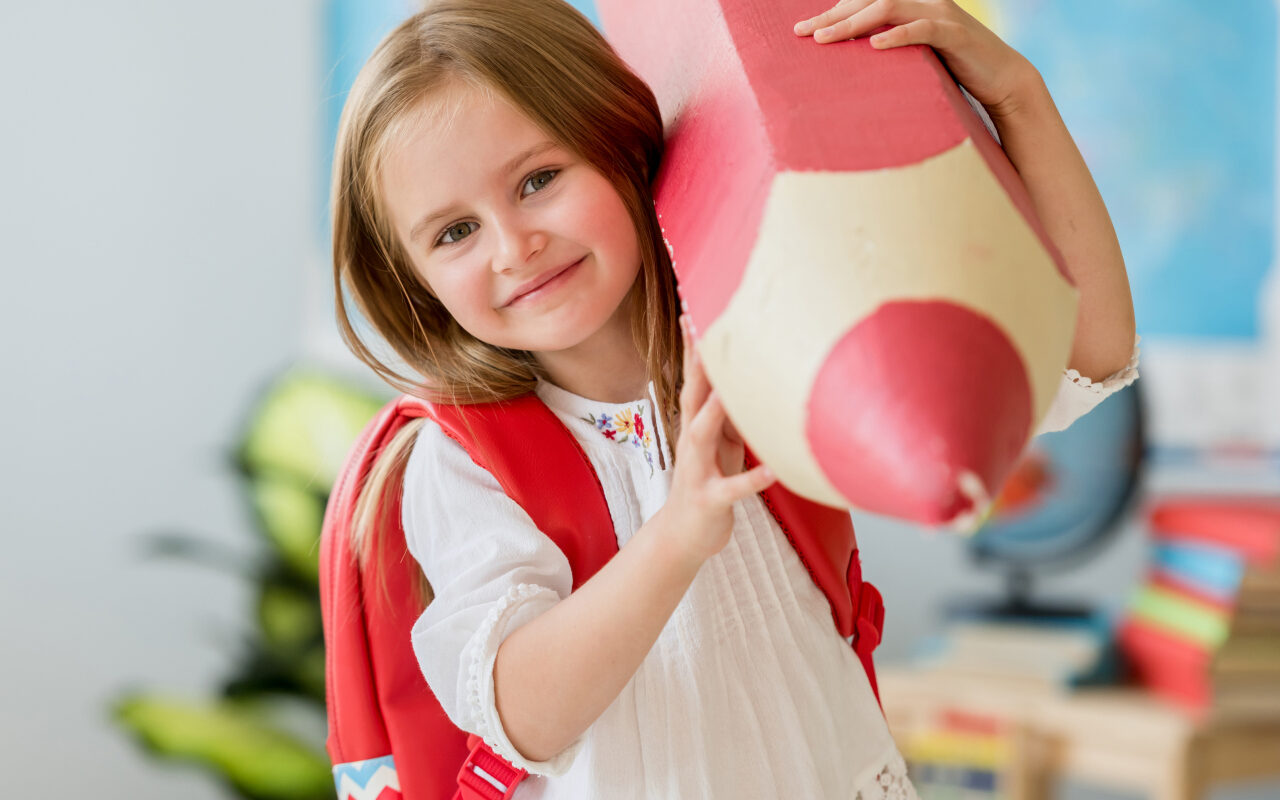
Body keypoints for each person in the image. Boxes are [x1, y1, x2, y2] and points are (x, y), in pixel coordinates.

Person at [328, 0, 1139, 796]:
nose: (514, 247)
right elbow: (523, 716)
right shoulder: (457, 460)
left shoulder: (764, 327)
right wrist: (677, 535)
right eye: (454, 232)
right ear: (414, 281)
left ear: (619, 141)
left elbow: (1087, 354)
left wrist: (1018, 97)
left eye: (538, 179)